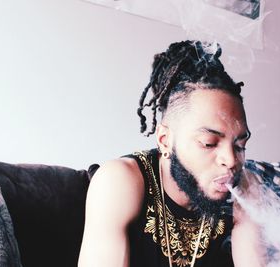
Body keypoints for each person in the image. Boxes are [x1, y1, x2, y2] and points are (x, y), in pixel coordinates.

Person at [78, 40, 265, 267]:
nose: (231, 160)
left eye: (239, 145)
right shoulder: (118, 181)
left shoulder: (244, 190)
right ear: (165, 141)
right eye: (209, 143)